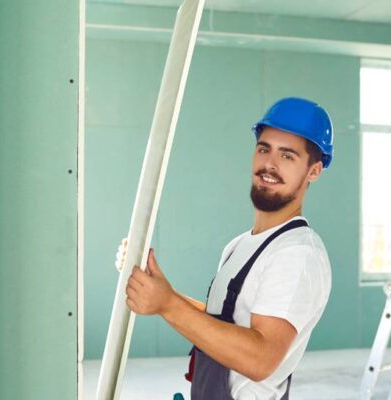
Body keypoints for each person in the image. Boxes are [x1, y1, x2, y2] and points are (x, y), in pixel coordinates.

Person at [121, 97, 333, 400]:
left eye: (287, 156)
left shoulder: (297, 254)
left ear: (313, 171)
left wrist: (167, 304)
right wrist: (157, 290)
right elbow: (222, 320)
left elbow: (261, 359)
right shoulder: (240, 245)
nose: (269, 164)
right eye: (264, 149)